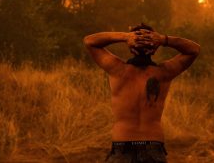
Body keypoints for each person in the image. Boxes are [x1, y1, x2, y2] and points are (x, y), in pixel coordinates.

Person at [83, 23, 200, 163]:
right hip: (153, 147)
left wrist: (125, 37)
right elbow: (194, 50)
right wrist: (163, 40)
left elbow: (90, 42)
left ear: (131, 48)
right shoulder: (164, 73)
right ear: (154, 48)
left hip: (123, 147)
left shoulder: (117, 69)